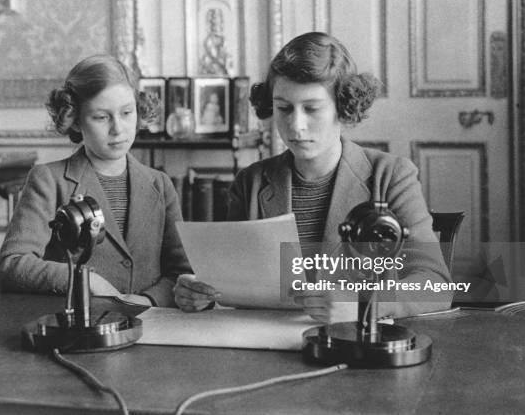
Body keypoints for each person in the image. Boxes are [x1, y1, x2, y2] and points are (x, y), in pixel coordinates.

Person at [173, 32, 453, 321]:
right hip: (268, 349)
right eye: (283, 108)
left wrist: (363, 303)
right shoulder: (250, 182)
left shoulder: (392, 175)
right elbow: (230, 284)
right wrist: (201, 294)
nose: (296, 125)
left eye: (311, 109)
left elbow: (435, 283)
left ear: (344, 109)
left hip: (357, 348)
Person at [0, 54, 191, 307]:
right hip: (79, 327)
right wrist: (83, 280)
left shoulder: (160, 184)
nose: (118, 129)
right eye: (101, 117)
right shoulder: (49, 180)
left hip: (149, 325)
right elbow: (12, 263)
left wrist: (147, 300)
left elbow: (181, 274)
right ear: (75, 121)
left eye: (126, 113)